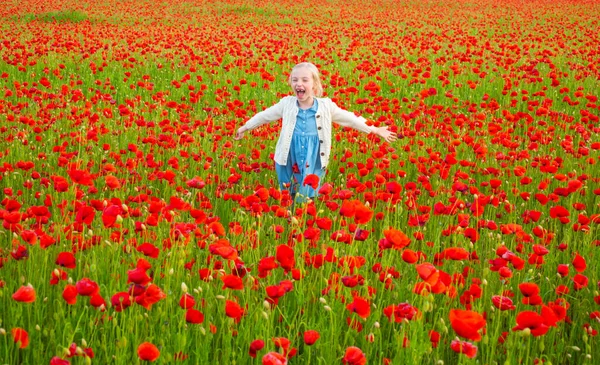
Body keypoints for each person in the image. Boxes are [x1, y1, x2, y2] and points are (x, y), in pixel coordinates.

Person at [234, 62, 397, 203]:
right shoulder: (287, 104)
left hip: (314, 157)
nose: (299, 83)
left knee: (307, 193)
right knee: (287, 192)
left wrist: (374, 129)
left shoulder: (326, 106)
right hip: (288, 155)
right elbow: (265, 115)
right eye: (295, 80)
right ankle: (289, 218)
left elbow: (350, 118)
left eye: (305, 80)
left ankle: (305, 220)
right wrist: (245, 127)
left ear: (315, 85)